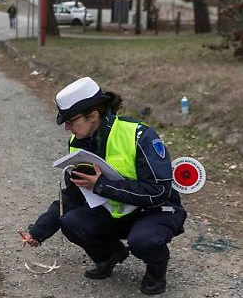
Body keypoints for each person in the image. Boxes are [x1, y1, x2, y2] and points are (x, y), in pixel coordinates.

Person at [19, 76, 186, 295]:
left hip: (155, 211)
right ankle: (110, 255)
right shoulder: (77, 143)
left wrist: (102, 185)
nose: (67, 127)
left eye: (71, 120)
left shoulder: (139, 135)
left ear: (94, 115)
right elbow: (71, 197)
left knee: (143, 240)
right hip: (118, 213)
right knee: (70, 221)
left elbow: (159, 191)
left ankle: (156, 270)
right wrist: (38, 232)